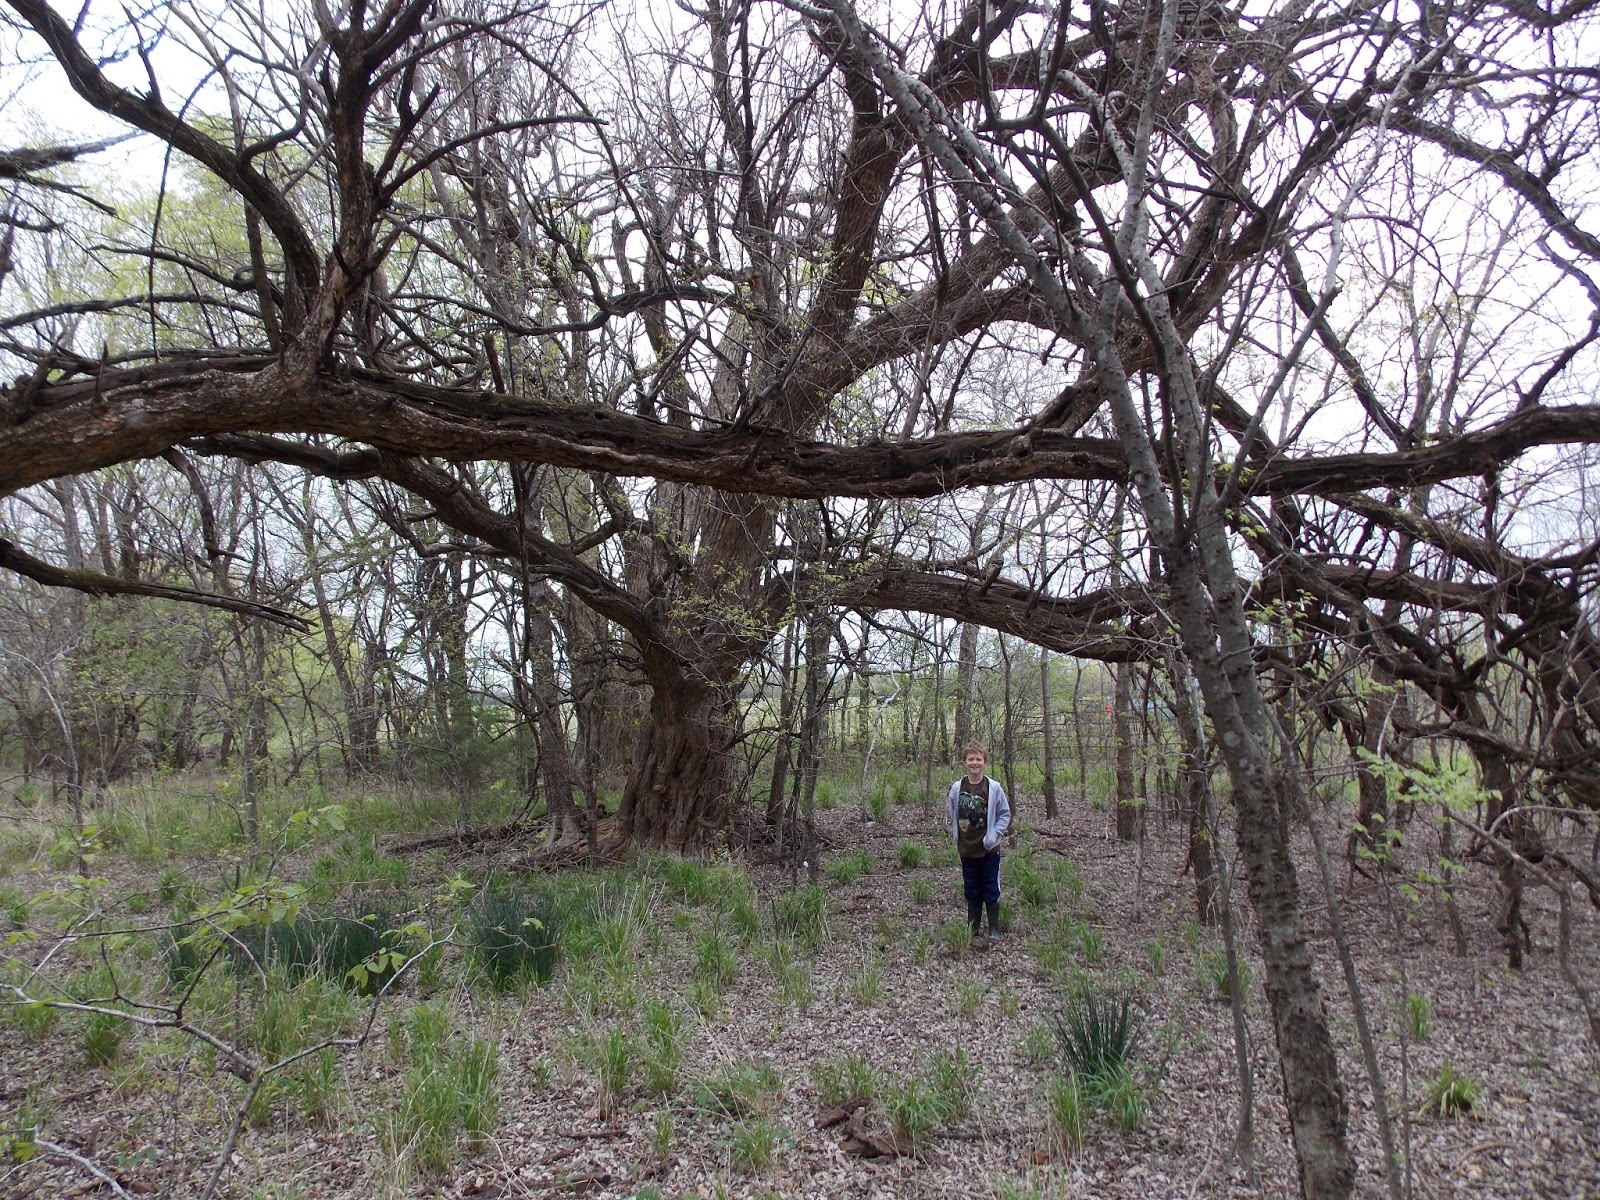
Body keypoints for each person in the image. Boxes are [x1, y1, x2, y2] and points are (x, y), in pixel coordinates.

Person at [946, 742, 1011, 941]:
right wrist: (957, 835)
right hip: (967, 848)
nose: (975, 763)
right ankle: (973, 929)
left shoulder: (993, 788)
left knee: (990, 886)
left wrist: (993, 837)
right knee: (971, 887)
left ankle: (993, 929)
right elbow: (953, 812)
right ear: (965, 762)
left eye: (978, 759)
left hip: (988, 849)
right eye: (971, 759)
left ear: (985, 762)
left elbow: (1004, 814)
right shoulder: (958, 788)